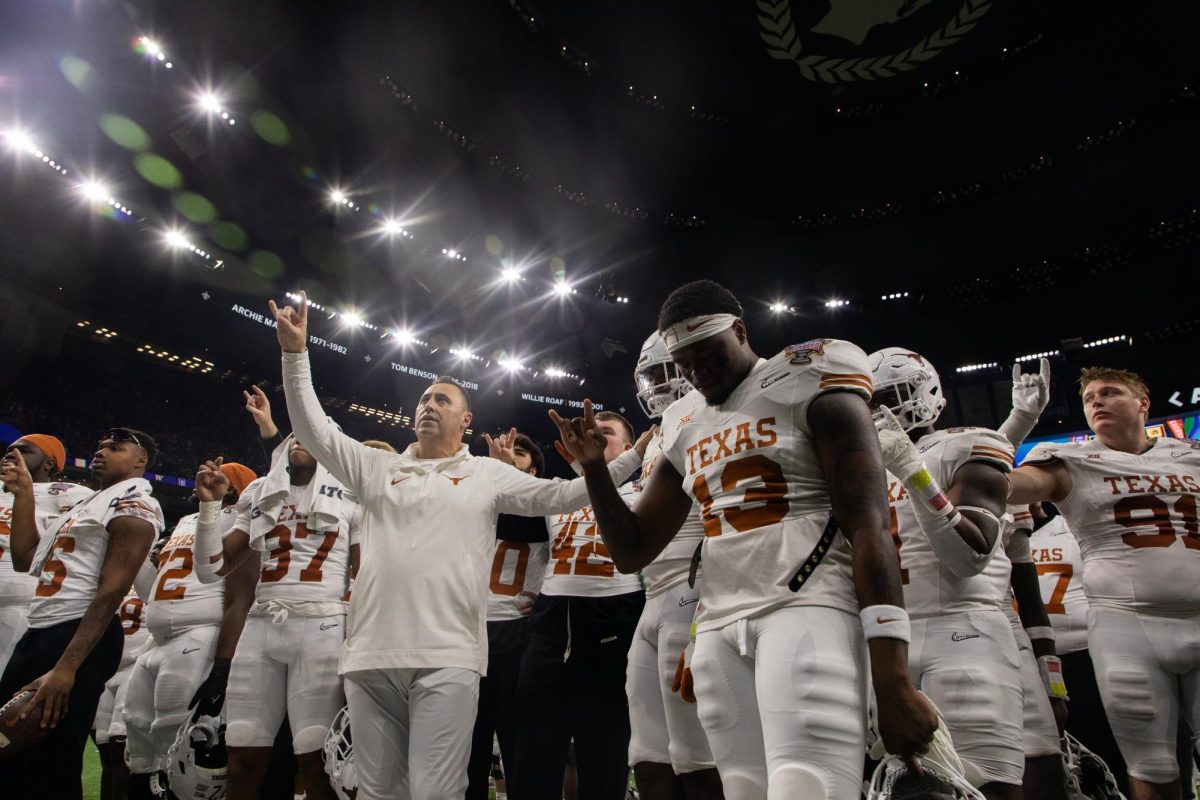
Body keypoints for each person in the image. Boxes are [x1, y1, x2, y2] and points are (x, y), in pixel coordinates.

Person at [549, 280, 938, 799]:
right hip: (717, 629)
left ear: (739, 330)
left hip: (806, 607)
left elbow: (868, 526)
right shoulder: (682, 421)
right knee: (743, 790)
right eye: (683, 363)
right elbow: (632, 550)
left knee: (808, 786)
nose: (695, 372)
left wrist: (891, 680)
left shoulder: (809, 373)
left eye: (705, 354)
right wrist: (595, 470)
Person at [265, 290, 646, 799]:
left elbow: (564, 495)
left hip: (450, 655)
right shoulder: (376, 466)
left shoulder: (488, 474)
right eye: (423, 398)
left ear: (466, 420)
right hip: (369, 654)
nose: (428, 404)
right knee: (377, 792)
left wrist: (622, 462)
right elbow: (314, 430)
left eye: (442, 399)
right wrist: (296, 355)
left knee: (437, 792)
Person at [1009, 367, 1200, 800]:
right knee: (1152, 768)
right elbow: (996, 488)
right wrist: (1016, 426)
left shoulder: (1190, 453)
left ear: (1142, 403)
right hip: (1127, 626)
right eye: (1089, 397)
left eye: (1110, 393)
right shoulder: (1071, 461)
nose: (1096, 401)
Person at [868, 347, 1024, 799]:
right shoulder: (852, 464)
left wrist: (913, 472)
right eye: (873, 399)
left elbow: (969, 555)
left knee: (983, 784)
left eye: (894, 394)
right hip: (882, 639)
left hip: (963, 629)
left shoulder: (968, 443)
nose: (885, 409)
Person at [192, 435, 360, 800]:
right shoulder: (261, 490)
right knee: (239, 761)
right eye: (293, 435)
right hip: (260, 625)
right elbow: (210, 570)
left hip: (322, 624)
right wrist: (210, 509)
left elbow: (364, 574)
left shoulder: (351, 489)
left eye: (309, 433)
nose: (298, 440)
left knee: (318, 763)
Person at [0, 428, 164, 800]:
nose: (101, 451)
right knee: (10, 752)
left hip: (77, 632)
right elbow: (26, 559)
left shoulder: (135, 500)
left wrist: (67, 666)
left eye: (115, 448)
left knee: (52, 762)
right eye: (100, 445)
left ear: (140, 462)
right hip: (40, 627)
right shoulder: (83, 506)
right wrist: (24, 492)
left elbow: (112, 590)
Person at [513, 410, 647, 800]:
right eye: (592, 432)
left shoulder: (645, 491)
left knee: (603, 759)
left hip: (614, 623)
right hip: (550, 629)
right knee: (533, 757)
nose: (596, 438)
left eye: (607, 433)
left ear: (627, 447)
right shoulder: (559, 493)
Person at [122, 460, 257, 799]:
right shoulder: (186, 521)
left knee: (182, 746)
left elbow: (240, 596)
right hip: (157, 640)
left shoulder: (242, 520)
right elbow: (155, 589)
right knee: (138, 737)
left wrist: (223, 663)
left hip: (199, 635)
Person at [625, 331, 721, 799]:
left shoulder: (706, 413)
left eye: (667, 370)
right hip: (654, 596)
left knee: (695, 754)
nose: (658, 384)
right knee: (646, 753)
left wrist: (710, 606)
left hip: (693, 587)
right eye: (651, 375)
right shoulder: (656, 435)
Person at [466, 432, 550, 799]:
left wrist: (502, 474)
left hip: (520, 632)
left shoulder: (547, 504)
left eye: (520, 453)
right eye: (507, 452)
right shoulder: (475, 502)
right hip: (471, 633)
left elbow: (521, 517)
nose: (511, 455)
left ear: (533, 469)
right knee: (469, 749)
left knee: (521, 747)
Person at [0, 435, 92, 672]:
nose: (11, 453)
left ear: (49, 463)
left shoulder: (68, 493)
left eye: (24, 450)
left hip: (17, 597)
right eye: (9, 450)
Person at [92, 585, 150, 800]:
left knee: (121, 748)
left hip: (135, 665)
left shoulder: (153, 576)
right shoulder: (120, 578)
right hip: (107, 667)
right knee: (105, 748)